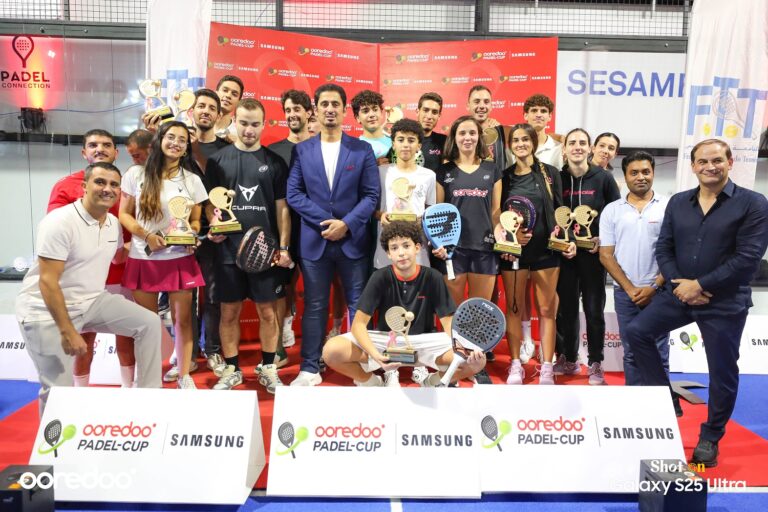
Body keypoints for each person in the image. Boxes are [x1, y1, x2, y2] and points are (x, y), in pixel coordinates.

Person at [626, 139, 768, 468]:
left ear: (730, 162)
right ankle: (666, 399)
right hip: (680, 293)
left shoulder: (753, 204)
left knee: (722, 370)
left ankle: (711, 436)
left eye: (717, 160)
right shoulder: (679, 202)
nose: (709, 166)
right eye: (702, 161)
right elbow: (664, 248)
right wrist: (681, 285)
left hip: (724, 300)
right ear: (693, 166)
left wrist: (700, 285)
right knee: (637, 332)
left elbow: (747, 258)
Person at [16, 162, 162, 412]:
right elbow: (48, 282)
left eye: (114, 184)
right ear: (84, 186)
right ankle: (52, 438)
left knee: (148, 323)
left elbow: (119, 257)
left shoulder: (113, 223)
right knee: (57, 390)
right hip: (44, 311)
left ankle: (150, 403)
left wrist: (158, 240)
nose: (108, 189)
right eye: (100, 182)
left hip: (92, 301)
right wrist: (68, 331)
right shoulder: (59, 222)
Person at [287, 83, 380, 386]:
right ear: (315, 109)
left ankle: (362, 369)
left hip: (354, 241)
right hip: (315, 242)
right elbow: (294, 194)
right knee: (315, 306)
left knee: (358, 307)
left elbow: (371, 195)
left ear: (344, 110)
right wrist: (329, 223)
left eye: (335, 104)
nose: (329, 109)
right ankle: (309, 368)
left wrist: (347, 224)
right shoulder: (302, 150)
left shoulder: (362, 149)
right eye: (324, 104)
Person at [323, 221, 486, 387]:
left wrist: (464, 349)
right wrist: (376, 355)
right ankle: (372, 382)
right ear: (388, 254)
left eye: (406, 246)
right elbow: (358, 324)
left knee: (476, 361)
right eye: (394, 248)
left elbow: (448, 322)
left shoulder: (433, 277)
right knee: (331, 351)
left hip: (424, 342)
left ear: (417, 248)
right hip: (387, 341)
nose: (401, 253)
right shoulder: (379, 277)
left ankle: (432, 382)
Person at [205, 98, 293, 392]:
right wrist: (213, 224)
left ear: (264, 125)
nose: (249, 130)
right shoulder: (218, 161)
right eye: (243, 123)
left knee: (268, 313)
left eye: (255, 124)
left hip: (265, 253)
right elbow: (210, 203)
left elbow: (282, 209)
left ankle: (268, 368)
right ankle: (231, 370)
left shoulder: (275, 162)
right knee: (229, 313)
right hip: (227, 253)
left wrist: (283, 248)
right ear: (234, 121)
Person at [119, 122, 208, 389]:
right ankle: (148, 377)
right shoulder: (136, 174)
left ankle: (184, 375)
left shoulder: (192, 180)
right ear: (159, 140)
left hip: (179, 258)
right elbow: (124, 214)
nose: (176, 143)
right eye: (171, 137)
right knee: (146, 324)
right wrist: (146, 236)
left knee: (183, 321)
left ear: (186, 147)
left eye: (182, 140)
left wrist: (191, 235)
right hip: (143, 258)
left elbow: (196, 221)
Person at [46, 129, 138, 388]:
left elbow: (141, 224)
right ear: (83, 152)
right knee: (84, 339)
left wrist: (134, 244)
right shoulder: (65, 186)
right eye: (93, 145)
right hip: (82, 279)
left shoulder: (129, 186)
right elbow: (56, 230)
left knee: (126, 335)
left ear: (116, 152)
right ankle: (80, 393)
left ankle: (129, 391)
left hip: (122, 275)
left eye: (106, 145)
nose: (100, 149)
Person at [500, 123, 574, 386]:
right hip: (514, 254)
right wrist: (508, 239)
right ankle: (515, 364)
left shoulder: (550, 173)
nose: (520, 144)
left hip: (546, 252)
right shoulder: (504, 177)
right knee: (514, 308)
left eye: (525, 139)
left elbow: (560, 210)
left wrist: (566, 239)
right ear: (510, 145)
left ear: (533, 142)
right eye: (515, 140)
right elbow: (498, 216)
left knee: (546, 309)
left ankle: (546, 367)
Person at [435, 115, 501, 384]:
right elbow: (438, 212)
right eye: (462, 133)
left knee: (479, 311)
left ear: (479, 137)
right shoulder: (444, 172)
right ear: (454, 137)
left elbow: (496, 211)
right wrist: (439, 243)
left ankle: (476, 366)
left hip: (485, 248)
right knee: (452, 312)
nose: (467, 138)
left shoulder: (492, 169)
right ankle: (453, 365)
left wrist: (503, 235)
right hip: (453, 252)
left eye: (472, 133)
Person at [599, 151, 670, 388]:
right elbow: (606, 255)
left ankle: (662, 402)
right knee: (631, 352)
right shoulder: (612, 210)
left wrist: (655, 286)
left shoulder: (668, 207)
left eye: (646, 172)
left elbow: (675, 253)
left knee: (660, 351)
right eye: (634, 172)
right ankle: (634, 401)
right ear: (626, 176)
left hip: (660, 292)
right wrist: (630, 289)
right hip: (625, 294)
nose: (641, 177)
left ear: (653, 173)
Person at [555, 128, 620, 385]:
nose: (577, 147)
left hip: (593, 256)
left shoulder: (603, 178)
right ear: (564, 149)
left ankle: (595, 362)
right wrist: (563, 241)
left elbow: (616, 214)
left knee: (594, 310)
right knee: (566, 310)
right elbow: (553, 215)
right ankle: (569, 358)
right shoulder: (558, 178)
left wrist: (602, 239)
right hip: (566, 255)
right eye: (572, 142)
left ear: (590, 148)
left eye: (582, 142)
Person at [374, 118, 436, 386]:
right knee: (389, 308)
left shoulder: (428, 175)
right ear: (393, 143)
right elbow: (372, 207)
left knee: (418, 309)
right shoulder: (381, 172)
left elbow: (431, 211)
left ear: (419, 145)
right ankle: (391, 367)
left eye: (411, 140)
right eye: (400, 140)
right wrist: (382, 216)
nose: (406, 145)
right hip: (386, 252)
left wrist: (423, 224)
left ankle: (419, 365)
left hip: (418, 253)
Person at [184, 88, 230, 377]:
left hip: (218, 234)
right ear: (192, 111)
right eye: (201, 106)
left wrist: (220, 225)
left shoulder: (228, 149)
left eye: (212, 108)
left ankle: (212, 349)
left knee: (213, 296)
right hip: (185, 235)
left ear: (219, 115)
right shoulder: (180, 147)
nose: (206, 111)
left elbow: (232, 194)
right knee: (184, 298)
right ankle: (186, 354)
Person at [268, 89, 314, 353]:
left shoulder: (320, 148)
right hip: (282, 232)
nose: (292, 114)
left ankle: (315, 346)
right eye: (288, 110)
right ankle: (280, 340)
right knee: (281, 288)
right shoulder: (273, 152)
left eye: (297, 109)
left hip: (313, 230)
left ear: (309, 113)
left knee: (316, 289)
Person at [467, 85, 508, 174]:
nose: (482, 106)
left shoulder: (503, 131)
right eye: (477, 102)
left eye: (486, 102)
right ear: (468, 105)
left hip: (500, 182)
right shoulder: (459, 134)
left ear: (491, 106)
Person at [522, 94, 562, 169]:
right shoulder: (515, 148)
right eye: (534, 110)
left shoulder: (559, 148)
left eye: (543, 111)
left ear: (550, 116)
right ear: (525, 115)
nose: (539, 115)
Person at [352, 89, 391, 164]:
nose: (372, 115)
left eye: (375, 109)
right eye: (366, 111)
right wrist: (373, 166)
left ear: (381, 114)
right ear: (357, 118)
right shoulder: (354, 147)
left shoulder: (395, 142)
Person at [415, 92, 447, 172]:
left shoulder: (445, 141)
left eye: (434, 112)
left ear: (439, 116)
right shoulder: (403, 139)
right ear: (417, 112)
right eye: (425, 110)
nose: (429, 116)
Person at [213, 75, 245, 140]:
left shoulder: (238, 136)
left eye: (234, 94)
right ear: (216, 93)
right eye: (225, 90)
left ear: (239, 101)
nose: (228, 95)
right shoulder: (197, 125)